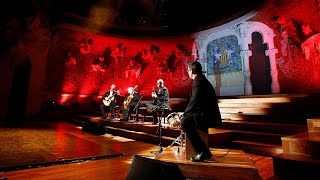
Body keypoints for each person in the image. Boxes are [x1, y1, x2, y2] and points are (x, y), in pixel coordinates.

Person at [180, 61, 222, 162]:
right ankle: (201, 150)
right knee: (186, 120)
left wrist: (185, 114)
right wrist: (186, 113)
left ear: (192, 70)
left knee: (184, 122)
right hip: (204, 114)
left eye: (188, 70)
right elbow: (195, 102)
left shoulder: (199, 81)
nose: (187, 72)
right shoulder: (199, 80)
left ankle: (203, 152)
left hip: (209, 116)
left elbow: (195, 101)